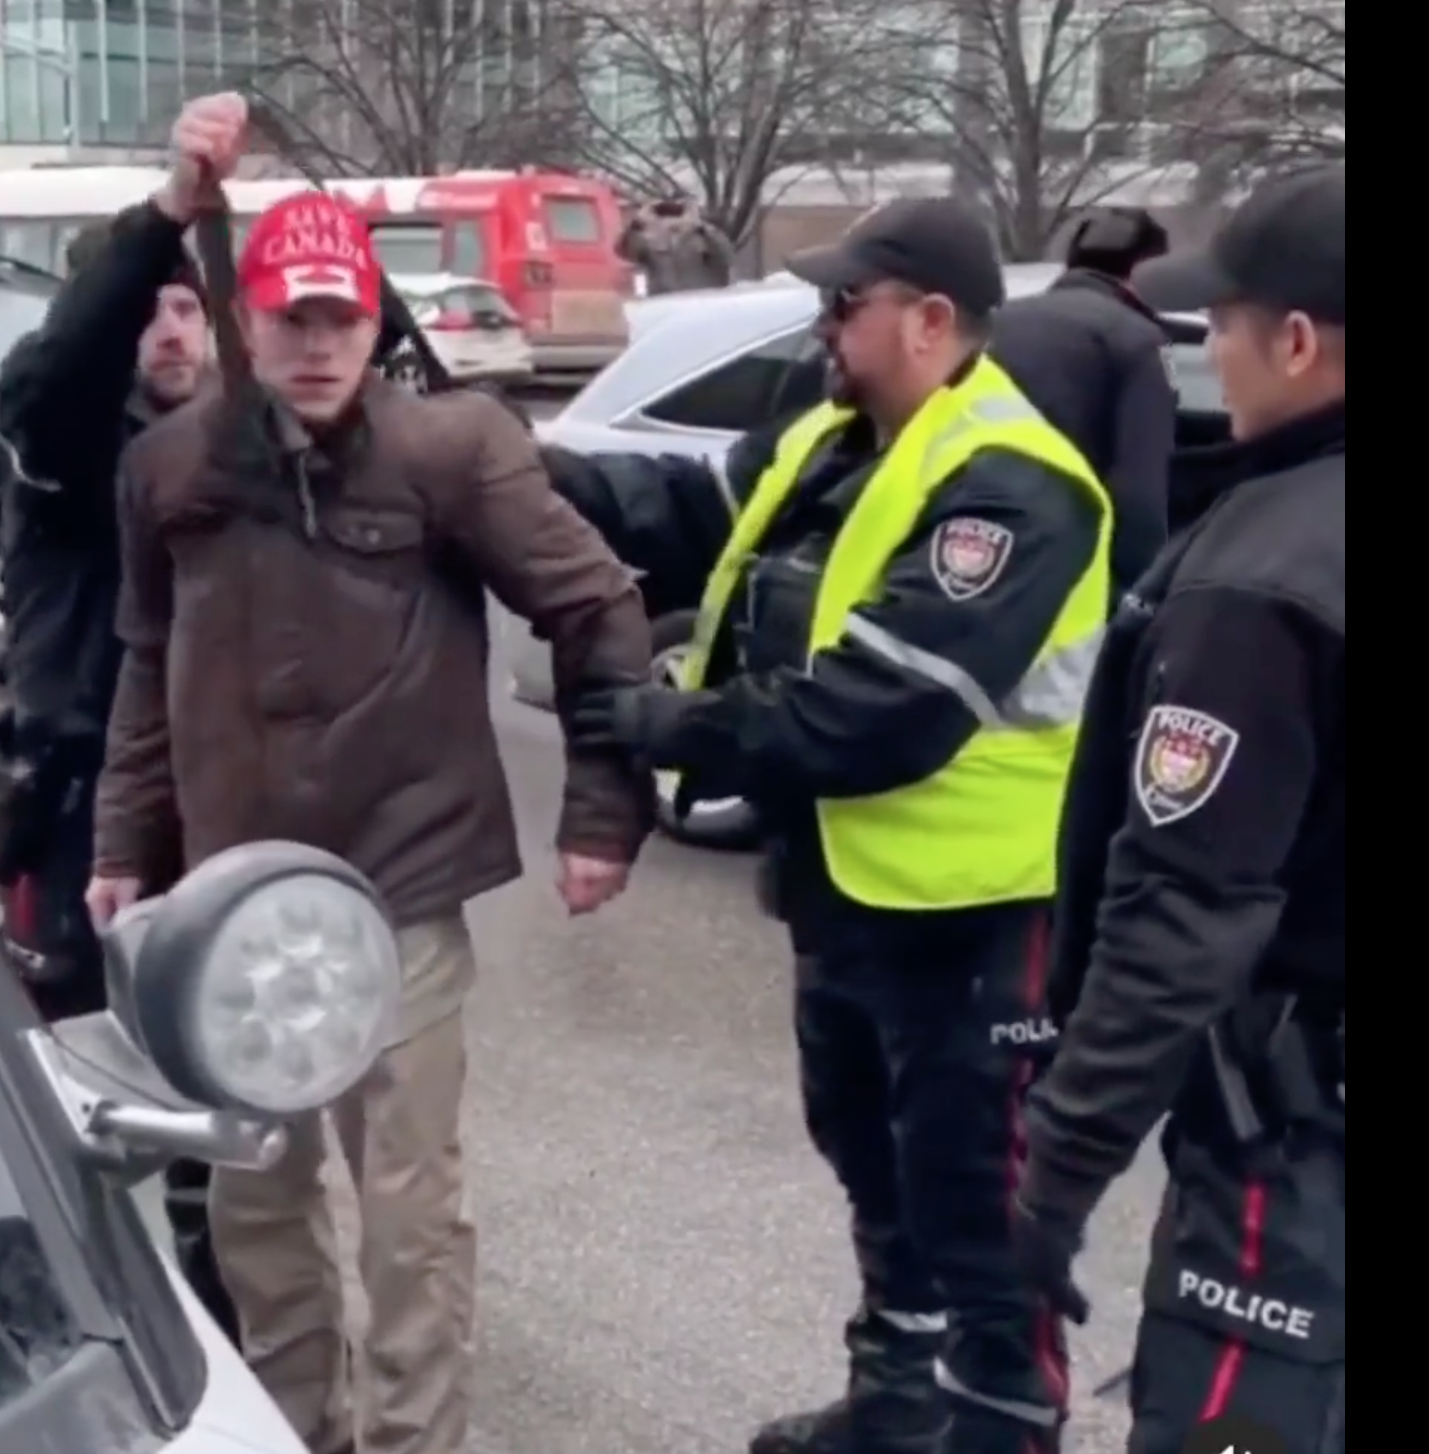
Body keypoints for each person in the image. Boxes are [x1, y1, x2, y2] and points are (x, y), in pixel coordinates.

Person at [87, 165, 656, 1454]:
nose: (320, 345)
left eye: (342, 318)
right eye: (293, 319)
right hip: (232, 911)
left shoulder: (448, 446)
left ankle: (415, 1441)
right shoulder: (170, 462)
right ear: (249, 317)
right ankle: (298, 1429)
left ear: (372, 318)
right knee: (258, 1206)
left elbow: (596, 605)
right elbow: (144, 650)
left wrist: (602, 813)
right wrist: (127, 838)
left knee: (409, 1216)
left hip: (396, 889)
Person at [547, 195, 1112, 1454]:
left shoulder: (1010, 482)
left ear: (932, 320)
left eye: (843, 303)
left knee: (978, 1199)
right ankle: (897, 1402)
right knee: (870, 1156)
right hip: (847, 893)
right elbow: (686, 516)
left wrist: (667, 727)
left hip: (977, 914)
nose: (822, 322)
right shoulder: (831, 442)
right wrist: (517, 464)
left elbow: (885, 711)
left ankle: (1005, 1425)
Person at [1011, 165, 1345, 1454]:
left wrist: (1054, 1173)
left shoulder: (1262, 580)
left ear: (1299, 340)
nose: (1210, 348)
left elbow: (1181, 916)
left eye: (1227, 323)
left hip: (1293, 1154)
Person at [0, 95, 232, 1338]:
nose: (171, 332)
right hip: (77, 804)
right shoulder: (67, 437)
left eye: (188, 308)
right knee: (74, 1081)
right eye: (150, 311)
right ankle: (70, 1321)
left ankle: (204, 1310)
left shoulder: (233, 446)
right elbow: (64, 365)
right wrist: (165, 215)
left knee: (206, 1078)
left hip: (206, 805)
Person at [987, 206, 1179, 598]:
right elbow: (1140, 490)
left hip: (979, 549)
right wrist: (1140, 591)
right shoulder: (1137, 339)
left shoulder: (997, 323)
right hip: (1075, 575)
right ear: (1147, 273)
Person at [616, 192, 735, 293]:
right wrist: (637, 223)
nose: (672, 217)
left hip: (703, 304)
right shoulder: (652, 240)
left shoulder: (703, 237)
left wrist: (699, 226)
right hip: (666, 307)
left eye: (679, 211)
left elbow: (726, 256)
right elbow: (623, 252)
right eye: (664, 212)